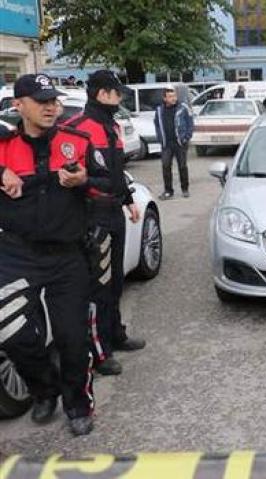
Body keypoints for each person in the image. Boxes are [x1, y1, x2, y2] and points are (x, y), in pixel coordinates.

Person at [0, 74, 100, 436]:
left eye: (53, 100)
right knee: (12, 335)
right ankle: (44, 389)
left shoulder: (79, 142)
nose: (50, 106)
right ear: (18, 106)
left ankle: (78, 405)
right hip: (16, 254)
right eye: (40, 100)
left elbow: (113, 190)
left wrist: (85, 182)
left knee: (72, 339)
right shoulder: (4, 145)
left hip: (67, 256)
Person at [62, 70, 147, 376]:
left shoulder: (111, 126)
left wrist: (128, 201)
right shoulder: (76, 129)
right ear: (102, 94)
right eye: (117, 93)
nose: (121, 98)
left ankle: (116, 333)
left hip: (114, 211)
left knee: (115, 282)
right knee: (99, 286)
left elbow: (115, 172)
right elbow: (69, 177)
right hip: (92, 214)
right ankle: (100, 352)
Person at [154, 86, 193, 200]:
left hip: (180, 143)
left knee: (182, 166)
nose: (173, 98)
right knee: (166, 166)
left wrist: (186, 137)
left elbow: (190, 123)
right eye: (170, 96)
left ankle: (185, 189)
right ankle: (168, 191)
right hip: (167, 144)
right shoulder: (159, 110)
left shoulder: (183, 108)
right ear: (165, 98)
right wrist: (160, 138)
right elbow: (157, 124)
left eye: (174, 96)